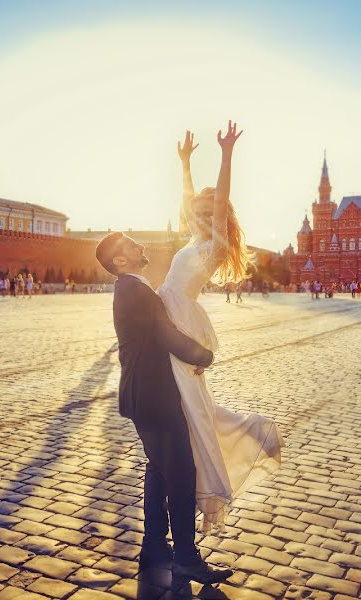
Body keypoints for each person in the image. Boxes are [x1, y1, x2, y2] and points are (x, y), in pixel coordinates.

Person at [96, 231, 232, 597]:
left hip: (145, 396)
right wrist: (205, 356)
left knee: (159, 469)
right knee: (181, 474)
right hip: (154, 398)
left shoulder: (133, 288)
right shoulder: (134, 291)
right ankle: (186, 556)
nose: (140, 244)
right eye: (130, 244)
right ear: (120, 261)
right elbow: (168, 334)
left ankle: (155, 547)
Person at [163, 124, 282, 535]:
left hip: (179, 319)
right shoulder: (196, 236)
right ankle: (234, 439)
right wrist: (185, 164)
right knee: (193, 405)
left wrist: (226, 154)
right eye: (195, 211)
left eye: (205, 211)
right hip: (173, 315)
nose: (196, 215)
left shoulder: (213, 246)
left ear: (217, 215)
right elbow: (188, 202)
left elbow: (220, 197)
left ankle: (208, 480)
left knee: (193, 407)